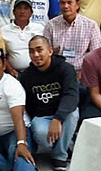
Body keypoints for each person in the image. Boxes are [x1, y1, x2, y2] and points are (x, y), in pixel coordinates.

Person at [20, 36, 79, 171]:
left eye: (39, 50)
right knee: (42, 135)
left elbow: (71, 95)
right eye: (31, 51)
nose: (35, 55)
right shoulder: (26, 76)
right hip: (42, 115)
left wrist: (58, 118)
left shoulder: (66, 69)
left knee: (73, 114)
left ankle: (60, 156)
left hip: (62, 112)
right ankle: (64, 144)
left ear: (50, 51)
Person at [44, 0, 101, 73]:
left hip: (82, 72)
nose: (66, 6)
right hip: (58, 72)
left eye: (69, 2)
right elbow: (46, 54)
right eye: (62, 3)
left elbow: (96, 55)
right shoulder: (51, 25)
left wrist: (84, 72)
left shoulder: (91, 26)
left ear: (78, 4)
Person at [1, 0, 45, 77]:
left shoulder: (40, 28)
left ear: (31, 13)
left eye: (26, 8)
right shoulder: (4, 30)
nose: (22, 11)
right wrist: (10, 70)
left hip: (37, 71)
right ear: (14, 12)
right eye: (19, 8)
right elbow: (2, 55)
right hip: (13, 73)